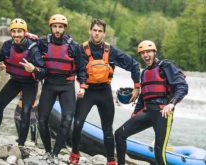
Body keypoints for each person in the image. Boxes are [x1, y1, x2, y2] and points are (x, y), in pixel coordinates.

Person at [69, 19, 141, 165]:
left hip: (105, 93)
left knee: (107, 129)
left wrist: (137, 86)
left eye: (100, 31)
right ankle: (74, 155)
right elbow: (68, 66)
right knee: (77, 124)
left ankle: (111, 161)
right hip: (87, 92)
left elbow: (134, 65)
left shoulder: (111, 51)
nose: (96, 33)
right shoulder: (80, 49)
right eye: (94, 30)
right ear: (90, 31)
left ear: (104, 34)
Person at [114, 40, 188, 165]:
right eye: (142, 53)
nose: (145, 55)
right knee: (119, 134)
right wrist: (135, 113)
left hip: (163, 113)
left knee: (159, 151)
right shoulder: (144, 73)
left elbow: (182, 86)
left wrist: (172, 103)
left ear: (154, 52)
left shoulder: (166, 66)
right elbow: (143, 96)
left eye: (148, 52)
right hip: (147, 112)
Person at [0, 18, 46, 151]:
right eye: (13, 31)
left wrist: (33, 69)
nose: (16, 34)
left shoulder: (33, 48)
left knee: (25, 112)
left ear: (25, 32)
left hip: (30, 84)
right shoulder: (7, 45)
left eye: (19, 31)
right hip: (15, 81)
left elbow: (43, 72)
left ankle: (21, 144)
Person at [37, 14, 87, 162]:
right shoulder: (43, 43)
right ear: (51, 27)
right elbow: (30, 47)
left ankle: (55, 153)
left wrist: (82, 86)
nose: (57, 30)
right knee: (41, 120)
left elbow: (81, 69)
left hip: (67, 86)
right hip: (50, 84)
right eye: (55, 26)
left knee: (67, 119)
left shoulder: (74, 46)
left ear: (64, 28)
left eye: (60, 27)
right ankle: (47, 151)